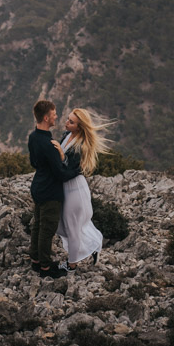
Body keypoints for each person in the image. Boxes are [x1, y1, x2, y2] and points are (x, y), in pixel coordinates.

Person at [27, 99, 81, 278]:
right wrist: (78, 170)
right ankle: (45, 267)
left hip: (38, 187)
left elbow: (34, 162)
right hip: (50, 191)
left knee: (38, 226)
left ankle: (35, 260)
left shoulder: (34, 137)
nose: (56, 116)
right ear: (45, 117)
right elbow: (61, 174)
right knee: (46, 230)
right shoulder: (49, 143)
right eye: (53, 114)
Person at [55, 107, 112, 271]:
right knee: (64, 226)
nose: (66, 122)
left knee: (72, 227)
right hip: (66, 189)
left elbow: (68, 171)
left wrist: (59, 154)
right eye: (67, 119)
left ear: (79, 127)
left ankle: (71, 266)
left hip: (74, 190)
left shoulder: (79, 146)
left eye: (71, 122)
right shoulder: (67, 136)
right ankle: (94, 243)